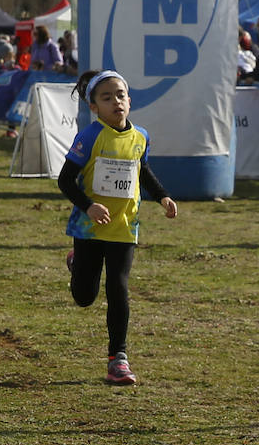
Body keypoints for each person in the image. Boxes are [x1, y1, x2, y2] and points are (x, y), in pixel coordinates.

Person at [56, 70, 177, 385]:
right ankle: (77, 263)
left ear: (130, 100)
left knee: (118, 288)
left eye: (121, 95)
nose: (116, 102)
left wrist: (162, 197)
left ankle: (118, 359)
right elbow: (65, 180)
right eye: (106, 98)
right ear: (94, 107)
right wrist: (89, 206)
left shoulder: (141, 137)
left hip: (124, 226)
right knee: (84, 297)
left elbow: (143, 170)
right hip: (90, 227)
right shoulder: (90, 136)